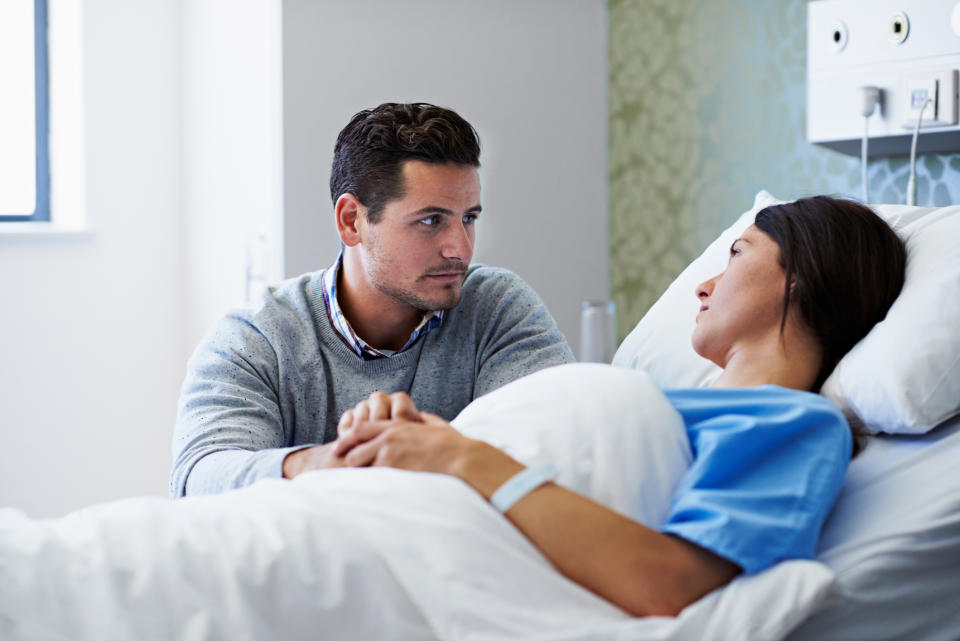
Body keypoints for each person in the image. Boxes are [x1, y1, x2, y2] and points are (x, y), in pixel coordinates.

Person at [329, 195, 907, 618]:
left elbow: (672, 583)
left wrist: (461, 458)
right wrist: (409, 441)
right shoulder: (655, 395)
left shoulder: (793, 423)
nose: (704, 285)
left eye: (736, 254)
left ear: (801, 278)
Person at [171, 103, 573, 497]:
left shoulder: (498, 309)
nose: (460, 248)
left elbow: (560, 456)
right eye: (431, 221)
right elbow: (198, 479)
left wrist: (427, 449)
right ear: (351, 221)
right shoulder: (257, 339)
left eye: (468, 218)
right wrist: (329, 461)